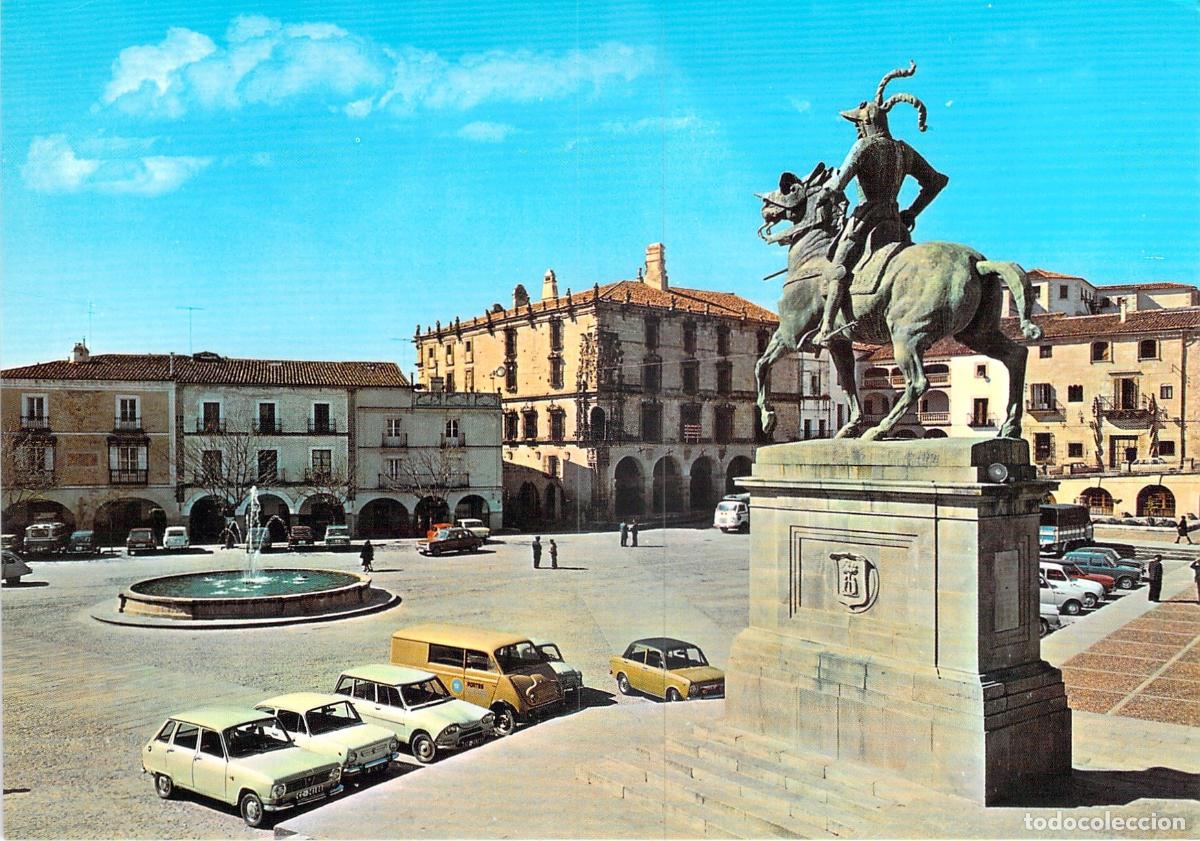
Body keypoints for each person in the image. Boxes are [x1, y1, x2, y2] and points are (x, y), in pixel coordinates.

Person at [812, 62, 948, 348]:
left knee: (838, 267)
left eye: (857, 124)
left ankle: (825, 327)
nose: (856, 129)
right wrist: (912, 210)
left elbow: (837, 185)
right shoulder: (903, 150)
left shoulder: (864, 146)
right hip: (895, 222)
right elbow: (937, 181)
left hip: (867, 218)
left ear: (864, 124)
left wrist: (825, 194)